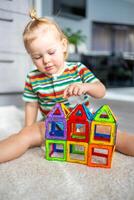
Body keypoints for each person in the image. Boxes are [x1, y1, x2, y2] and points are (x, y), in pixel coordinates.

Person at [0, 10, 134, 164]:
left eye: (51, 52)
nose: (46, 60)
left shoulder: (78, 69)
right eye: (37, 57)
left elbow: (101, 91)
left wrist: (86, 86)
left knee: (116, 136)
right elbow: (31, 105)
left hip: (84, 124)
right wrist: (28, 128)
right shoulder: (33, 77)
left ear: (63, 46)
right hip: (52, 127)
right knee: (22, 137)